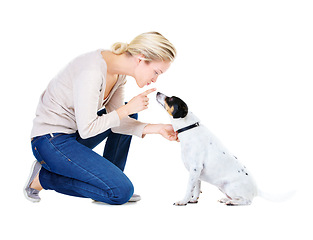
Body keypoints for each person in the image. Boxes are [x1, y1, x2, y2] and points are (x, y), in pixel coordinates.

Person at [24, 32, 177, 205]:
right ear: (141, 58)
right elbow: (88, 129)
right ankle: (42, 179)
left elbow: (119, 124)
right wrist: (126, 108)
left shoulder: (119, 74)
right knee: (121, 192)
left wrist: (158, 128)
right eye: (156, 72)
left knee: (128, 113)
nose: (155, 79)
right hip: (50, 142)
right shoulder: (91, 71)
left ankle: (109, 181)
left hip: (74, 137)